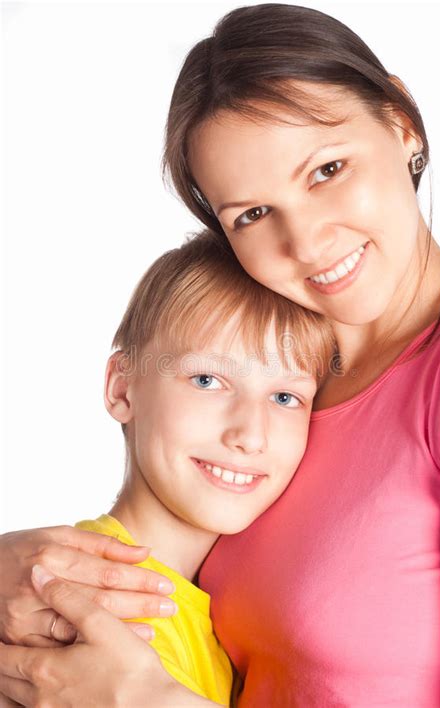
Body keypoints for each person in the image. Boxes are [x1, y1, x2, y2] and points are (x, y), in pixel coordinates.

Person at [0, 4, 440, 706]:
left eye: (327, 169)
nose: (307, 243)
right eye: (251, 214)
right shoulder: (276, 383)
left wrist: (151, 701)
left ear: (402, 122)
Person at [0, 227, 334, 706]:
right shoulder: (92, 612)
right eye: (207, 379)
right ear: (122, 389)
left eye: (285, 396)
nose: (250, 434)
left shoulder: (226, 618)